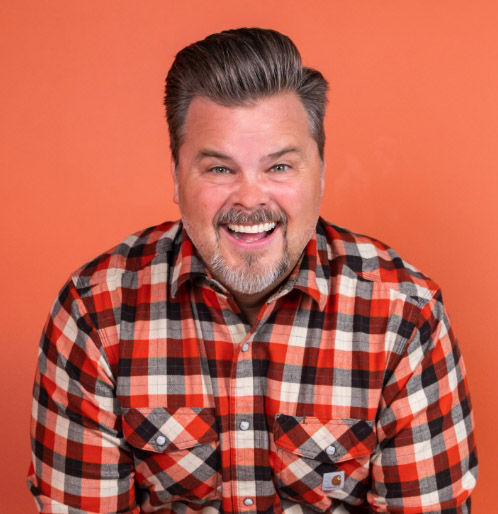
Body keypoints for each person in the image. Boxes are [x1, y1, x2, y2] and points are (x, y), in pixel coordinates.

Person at [28, 28, 477, 513]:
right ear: (176, 176)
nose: (249, 198)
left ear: (321, 172)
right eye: (220, 169)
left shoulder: (405, 319)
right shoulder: (96, 314)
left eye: (279, 167)